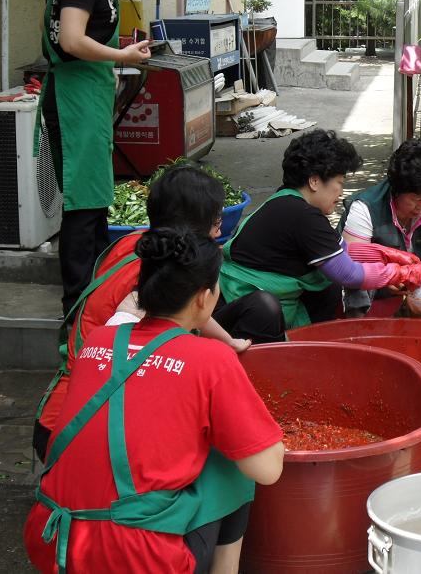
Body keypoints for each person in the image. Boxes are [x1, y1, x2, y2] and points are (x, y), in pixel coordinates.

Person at [24, 227, 285, 574]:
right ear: (203, 298)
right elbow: (268, 469)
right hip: (133, 557)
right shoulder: (210, 359)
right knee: (233, 462)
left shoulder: (100, 340)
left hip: (55, 539)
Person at [33, 164, 282, 462]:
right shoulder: (151, 280)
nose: (219, 230)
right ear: (194, 228)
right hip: (76, 429)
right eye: (215, 222)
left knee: (260, 308)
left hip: (76, 410)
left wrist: (228, 342)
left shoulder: (141, 246)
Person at [38, 0, 153, 317]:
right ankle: (77, 315)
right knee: (83, 211)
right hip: (75, 102)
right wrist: (122, 56)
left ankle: (95, 302)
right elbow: (71, 39)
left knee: (90, 208)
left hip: (80, 96)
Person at [220, 129, 421, 333]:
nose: (341, 192)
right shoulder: (302, 216)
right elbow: (348, 273)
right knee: (331, 283)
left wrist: (387, 255)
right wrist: (399, 273)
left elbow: (345, 254)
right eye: (339, 182)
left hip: (249, 301)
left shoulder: (290, 202)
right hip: (240, 305)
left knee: (328, 287)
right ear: (315, 181)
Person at [340, 139, 421, 315]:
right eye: (416, 199)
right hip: (374, 278)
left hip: (411, 276)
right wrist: (386, 278)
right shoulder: (365, 207)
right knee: (359, 277)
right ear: (397, 189)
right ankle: (359, 327)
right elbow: (351, 263)